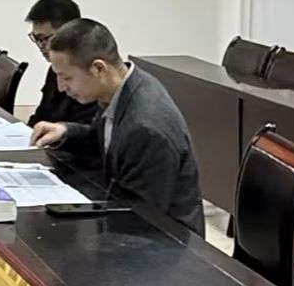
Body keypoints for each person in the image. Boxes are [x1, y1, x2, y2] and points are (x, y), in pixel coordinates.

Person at [30, 19, 205, 234]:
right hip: (133, 219)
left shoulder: (145, 128)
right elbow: (105, 140)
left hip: (166, 240)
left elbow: (138, 219)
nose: (61, 87)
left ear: (98, 68)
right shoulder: (122, 88)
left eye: (66, 78)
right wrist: (66, 131)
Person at [25, 0, 97, 127]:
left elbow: (88, 131)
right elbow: (40, 117)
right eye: (36, 39)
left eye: (45, 38)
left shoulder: (89, 74)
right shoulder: (54, 68)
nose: (40, 45)